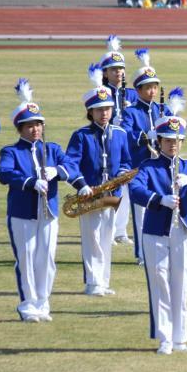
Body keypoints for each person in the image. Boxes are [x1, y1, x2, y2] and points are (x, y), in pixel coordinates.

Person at [130, 88, 187, 353]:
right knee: (160, 282)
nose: (172, 144)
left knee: (180, 282)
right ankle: (165, 338)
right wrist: (159, 200)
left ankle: (180, 337)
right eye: (167, 140)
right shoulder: (148, 167)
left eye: (177, 140)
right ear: (158, 141)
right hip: (155, 231)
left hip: (183, 230)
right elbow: (136, 191)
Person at [0, 79, 75, 322]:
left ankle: (43, 302)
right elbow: (4, 173)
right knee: (27, 258)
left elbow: (70, 165)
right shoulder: (11, 151)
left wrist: (57, 172)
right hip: (22, 213)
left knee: (47, 259)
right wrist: (30, 182)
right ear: (20, 128)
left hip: (48, 212)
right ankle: (28, 304)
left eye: (38, 125)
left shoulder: (51, 149)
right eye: (29, 126)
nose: (35, 130)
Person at [63, 64, 133, 296]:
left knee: (106, 238)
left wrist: (123, 174)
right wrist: (81, 185)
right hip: (90, 194)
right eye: (99, 109)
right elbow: (70, 163)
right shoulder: (81, 136)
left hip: (112, 195)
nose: (104, 113)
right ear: (90, 112)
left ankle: (104, 281)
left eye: (107, 109)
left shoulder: (120, 134)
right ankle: (92, 282)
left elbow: (126, 161)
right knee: (91, 239)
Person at [121, 48, 171, 265]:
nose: (152, 91)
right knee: (141, 211)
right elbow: (125, 134)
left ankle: (159, 249)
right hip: (140, 165)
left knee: (160, 209)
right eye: (148, 87)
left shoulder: (162, 109)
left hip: (161, 166)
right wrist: (145, 136)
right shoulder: (131, 112)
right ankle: (142, 254)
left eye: (154, 87)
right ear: (138, 89)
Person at [100, 35, 139, 245]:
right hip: (108, 143)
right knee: (109, 184)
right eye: (113, 69)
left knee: (126, 186)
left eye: (121, 68)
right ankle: (107, 227)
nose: (118, 72)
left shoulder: (132, 94)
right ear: (105, 72)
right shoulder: (101, 93)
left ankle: (121, 230)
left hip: (129, 146)